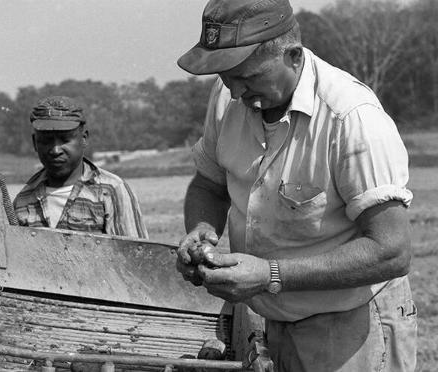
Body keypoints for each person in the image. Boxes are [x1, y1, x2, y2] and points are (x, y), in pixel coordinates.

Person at [174, 0, 417, 370]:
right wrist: (202, 231)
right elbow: (210, 183)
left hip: (351, 324)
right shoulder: (230, 97)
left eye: (248, 77)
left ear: (293, 56)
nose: (236, 91)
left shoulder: (351, 119)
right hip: (272, 321)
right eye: (226, 78)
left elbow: (392, 251)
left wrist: (269, 275)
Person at [13, 96, 148, 239]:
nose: (55, 150)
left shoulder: (110, 191)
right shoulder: (23, 200)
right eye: (46, 141)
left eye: (65, 140)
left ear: (84, 138)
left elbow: (135, 255)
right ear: (35, 143)